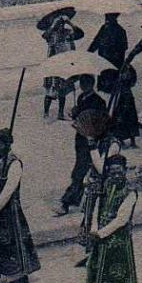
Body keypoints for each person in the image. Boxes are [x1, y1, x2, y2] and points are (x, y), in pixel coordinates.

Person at [0, 129, 39, 283]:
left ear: (8, 144)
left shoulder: (15, 163)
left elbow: (9, 189)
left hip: (8, 210)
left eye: (0, 144)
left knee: (10, 242)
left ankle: (17, 274)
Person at [84, 155, 138, 283]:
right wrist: (94, 229)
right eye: (112, 172)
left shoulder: (130, 192)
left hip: (118, 239)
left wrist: (100, 233)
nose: (116, 175)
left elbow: (121, 219)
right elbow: (96, 210)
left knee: (115, 272)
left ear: (125, 171)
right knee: (98, 267)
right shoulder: (105, 186)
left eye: (119, 171)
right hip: (100, 235)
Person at [57, 74, 105, 216]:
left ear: (92, 84)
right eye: (82, 83)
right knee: (86, 171)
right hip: (80, 139)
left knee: (80, 171)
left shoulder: (98, 101)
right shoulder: (80, 98)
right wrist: (75, 113)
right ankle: (85, 202)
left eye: (86, 83)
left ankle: (66, 202)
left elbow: (102, 121)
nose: (83, 86)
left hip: (91, 141)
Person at [40, 12, 82, 119]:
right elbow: (45, 35)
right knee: (50, 90)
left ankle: (60, 113)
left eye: (62, 23)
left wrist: (70, 22)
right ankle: (46, 112)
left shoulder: (68, 32)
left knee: (62, 90)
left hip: (65, 64)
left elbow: (80, 34)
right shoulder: (52, 34)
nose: (61, 25)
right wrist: (54, 25)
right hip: (53, 66)